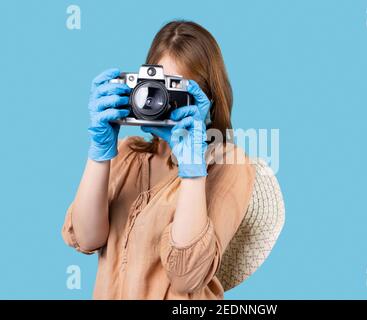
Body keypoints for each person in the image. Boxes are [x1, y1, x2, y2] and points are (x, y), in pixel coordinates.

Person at [61, 20, 255, 299]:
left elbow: (187, 276)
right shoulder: (128, 154)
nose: (160, 101)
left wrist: (192, 168)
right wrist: (99, 152)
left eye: (176, 89)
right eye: (157, 87)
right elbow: (87, 237)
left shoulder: (228, 164)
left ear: (207, 98)